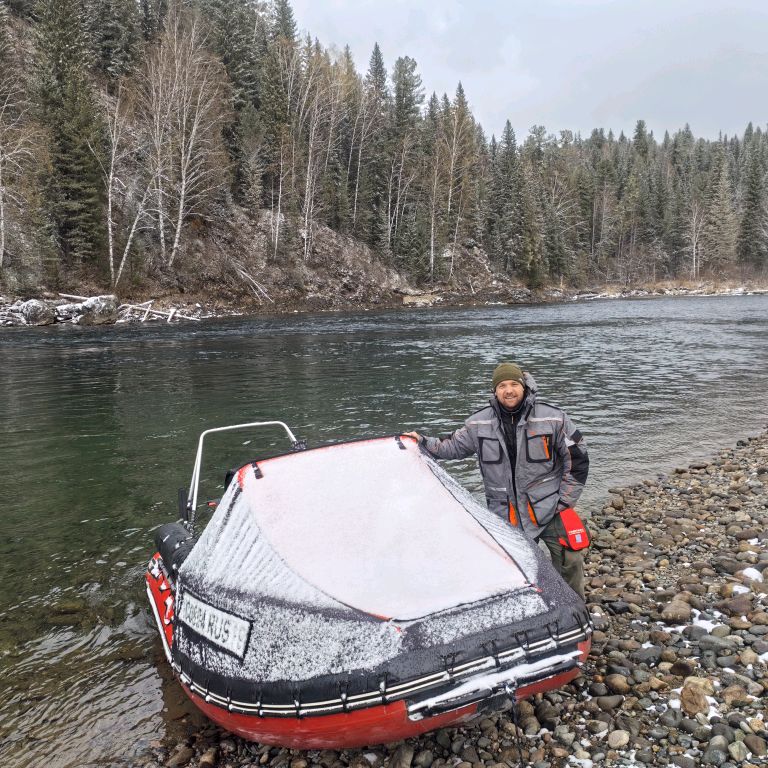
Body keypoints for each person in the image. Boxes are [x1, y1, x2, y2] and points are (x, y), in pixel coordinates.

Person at [406, 362, 589, 599]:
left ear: (524, 387)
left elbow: (578, 459)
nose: (508, 390)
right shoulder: (478, 423)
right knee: (512, 571)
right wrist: (420, 441)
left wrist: (564, 501)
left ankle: (574, 607)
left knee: (571, 560)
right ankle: (530, 612)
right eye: (502, 385)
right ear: (495, 391)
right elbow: (449, 447)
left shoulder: (553, 418)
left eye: (514, 384)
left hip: (549, 507)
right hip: (505, 513)